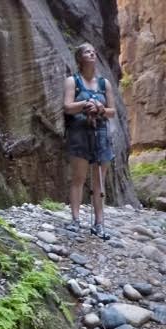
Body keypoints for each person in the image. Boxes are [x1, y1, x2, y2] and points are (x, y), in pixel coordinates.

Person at [63, 42, 116, 238]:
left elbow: (112, 111)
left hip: (100, 134)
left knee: (99, 182)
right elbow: (67, 107)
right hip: (79, 133)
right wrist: (86, 104)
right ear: (80, 58)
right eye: (87, 52)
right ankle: (75, 220)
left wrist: (100, 109)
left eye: (94, 51)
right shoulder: (72, 81)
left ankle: (99, 223)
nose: (92, 54)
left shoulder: (105, 84)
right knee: (78, 178)